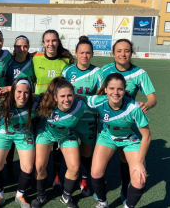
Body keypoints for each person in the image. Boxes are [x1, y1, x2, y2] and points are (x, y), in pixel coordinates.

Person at [82, 73, 151, 208]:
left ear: (124, 90)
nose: (115, 92)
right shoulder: (99, 101)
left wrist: (139, 162)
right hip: (107, 137)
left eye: (119, 89)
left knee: (139, 179)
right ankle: (103, 203)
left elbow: (147, 136)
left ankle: (128, 206)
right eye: (112, 88)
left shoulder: (134, 107)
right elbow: (82, 98)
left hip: (129, 139)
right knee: (96, 172)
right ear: (106, 89)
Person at [101, 39, 157, 202]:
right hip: (106, 119)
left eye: (126, 51)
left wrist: (146, 105)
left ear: (131, 53)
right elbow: (98, 93)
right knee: (99, 155)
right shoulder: (105, 70)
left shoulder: (140, 73)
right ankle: (96, 187)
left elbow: (152, 98)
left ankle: (125, 187)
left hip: (128, 122)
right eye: (119, 51)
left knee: (123, 156)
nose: (122, 54)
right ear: (113, 53)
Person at [32, 77, 94, 208]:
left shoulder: (80, 106)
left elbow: (102, 103)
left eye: (70, 95)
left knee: (74, 168)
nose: (67, 99)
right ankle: (41, 196)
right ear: (55, 97)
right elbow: (24, 100)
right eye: (63, 96)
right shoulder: (44, 103)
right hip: (45, 134)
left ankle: (66, 197)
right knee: (39, 167)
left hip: (66, 135)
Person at [61, 36, 103, 197]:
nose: (84, 56)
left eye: (88, 53)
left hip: (88, 120)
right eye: (81, 52)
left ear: (92, 54)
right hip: (70, 119)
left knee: (86, 153)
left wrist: (84, 99)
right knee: (69, 153)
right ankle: (62, 177)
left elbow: (101, 97)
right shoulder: (68, 71)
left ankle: (84, 180)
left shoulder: (97, 72)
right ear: (76, 54)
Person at [32, 29, 74, 189]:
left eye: (54, 40)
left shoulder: (66, 61)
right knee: (39, 141)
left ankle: (56, 175)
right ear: (43, 43)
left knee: (57, 142)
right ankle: (35, 174)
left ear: (58, 42)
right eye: (47, 41)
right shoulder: (35, 58)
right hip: (39, 107)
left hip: (58, 108)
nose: (51, 44)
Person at [0, 78, 37, 208]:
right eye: (19, 91)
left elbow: (46, 95)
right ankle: (0, 196)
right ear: (13, 91)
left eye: (26, 92)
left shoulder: (35, 103)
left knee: (28, 168)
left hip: (24, 134)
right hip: (3, 133)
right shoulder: (2, 100)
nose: (22, 96)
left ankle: (19, 195)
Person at [4, 35, 35, 177]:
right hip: (10, 106)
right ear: (14, 48)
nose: (21, 49)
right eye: (18, 46)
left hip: (28, 105)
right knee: (10, 135)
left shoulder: (33, 62)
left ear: (28, 48)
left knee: (27, 134)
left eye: (25, 46)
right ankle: (9, 167)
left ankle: (32, 168)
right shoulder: (8, 62)